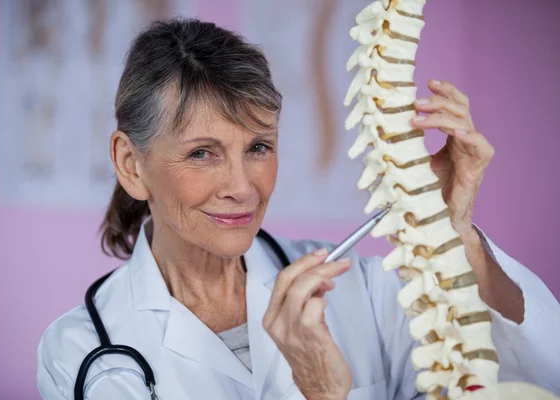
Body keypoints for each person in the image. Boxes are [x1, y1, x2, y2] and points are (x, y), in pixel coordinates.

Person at [36, 19, 560, 400]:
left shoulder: (365, 292)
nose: (242, 187)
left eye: (259, 148)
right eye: (202, 153)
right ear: (131, 164)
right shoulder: (80, 352)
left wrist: (453, 232)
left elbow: (532, 379)